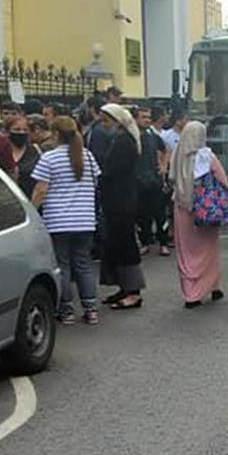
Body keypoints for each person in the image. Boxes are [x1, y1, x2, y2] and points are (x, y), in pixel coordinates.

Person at [31, 116, 102, 325]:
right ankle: (91, 309)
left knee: (62, 265)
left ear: (55, 134)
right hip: (85, 220)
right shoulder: (87, 157)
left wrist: (31, 211)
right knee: (83, 264)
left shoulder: (49, 158)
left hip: (57, 221)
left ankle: (66, 310)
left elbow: (41, 190)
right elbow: (95, 183)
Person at [171, 121, 228, 308]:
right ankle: (212, 285)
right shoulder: (206, 155)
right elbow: (223, 179)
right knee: (209, 249)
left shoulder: (177, 154)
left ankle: (191, 294)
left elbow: (170, 177)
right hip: (204, 209)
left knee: (186, 252)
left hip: (182, 207)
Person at [96, 104, 145, 309]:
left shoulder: (124, 142)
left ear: (117, 121)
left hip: (121, 202)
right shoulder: (122, 140)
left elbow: (113, 173)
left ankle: (133, 291)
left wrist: (100, 177)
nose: (104, 125)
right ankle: (124, 288)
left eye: (107, 120)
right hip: (118, 201)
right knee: (117, 245)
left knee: (125, 245)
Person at [134, 107, 171, 257]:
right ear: (135, 119)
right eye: (143, 117)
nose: (147, 120)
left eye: (148, 117)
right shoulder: (131, 137)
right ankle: (145, 243)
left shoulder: (152, 136)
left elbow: (166, 149)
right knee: (142, 216)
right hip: (137, 182)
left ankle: (163, 243)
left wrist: (163, 165)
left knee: (160, 214)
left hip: (154, 181)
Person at [6, 113, 42, 197]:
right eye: (17, 129)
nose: (21, 133)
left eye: (25, 130)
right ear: (7, 131)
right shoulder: (1, 151)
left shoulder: (36, 151)